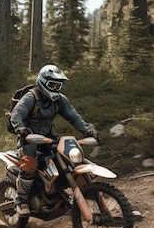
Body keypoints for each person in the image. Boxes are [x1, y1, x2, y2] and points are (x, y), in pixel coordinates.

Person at [9, 64, 99, 217]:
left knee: (75, 160)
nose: (56, 88)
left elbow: (74, 117)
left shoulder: (60, 100)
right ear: (43, 82)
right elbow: (16, 114)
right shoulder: (31, 97)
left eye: (59, 85)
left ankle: (91, 196)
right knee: (30, 165)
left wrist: (87, 129)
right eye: (53, 85)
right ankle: (21, 201)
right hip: (28, 141)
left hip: (48, 139)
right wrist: (21, 128)